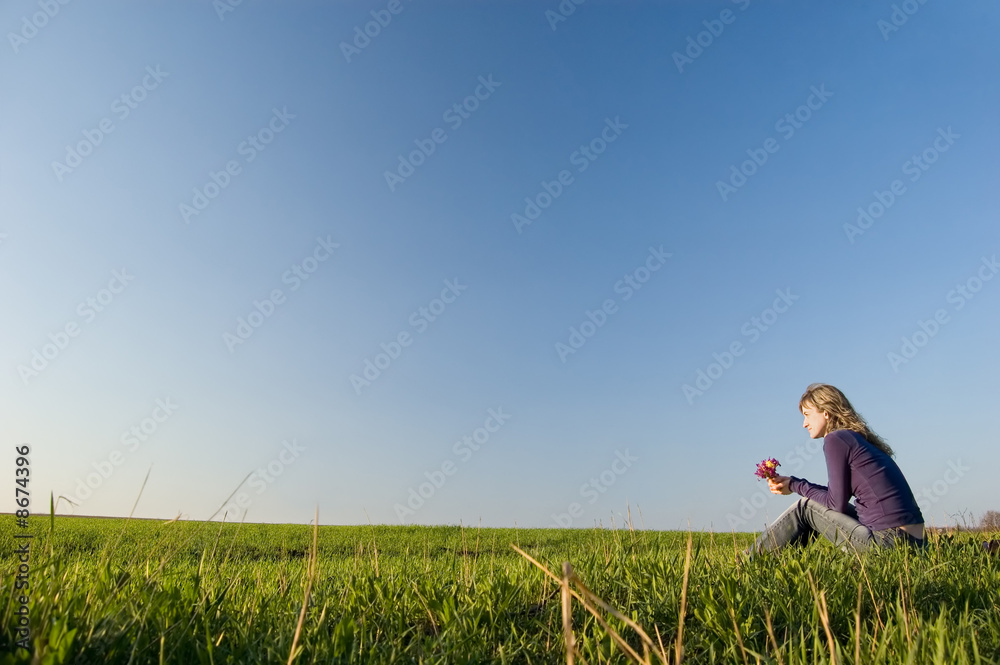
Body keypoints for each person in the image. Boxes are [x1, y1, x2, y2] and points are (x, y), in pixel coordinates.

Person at [746, 383, 926, 559]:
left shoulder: (836, 439)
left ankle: (749, 561)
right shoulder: (855, 439)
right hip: (916, 545)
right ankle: (783, 563)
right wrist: (793, 484)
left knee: (805, 507)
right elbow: (835, 498)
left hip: (888, 543)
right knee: (813, 505)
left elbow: (835, 504)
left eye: (807, 415)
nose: (804, 424)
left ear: (826, 412)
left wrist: (795, 485)